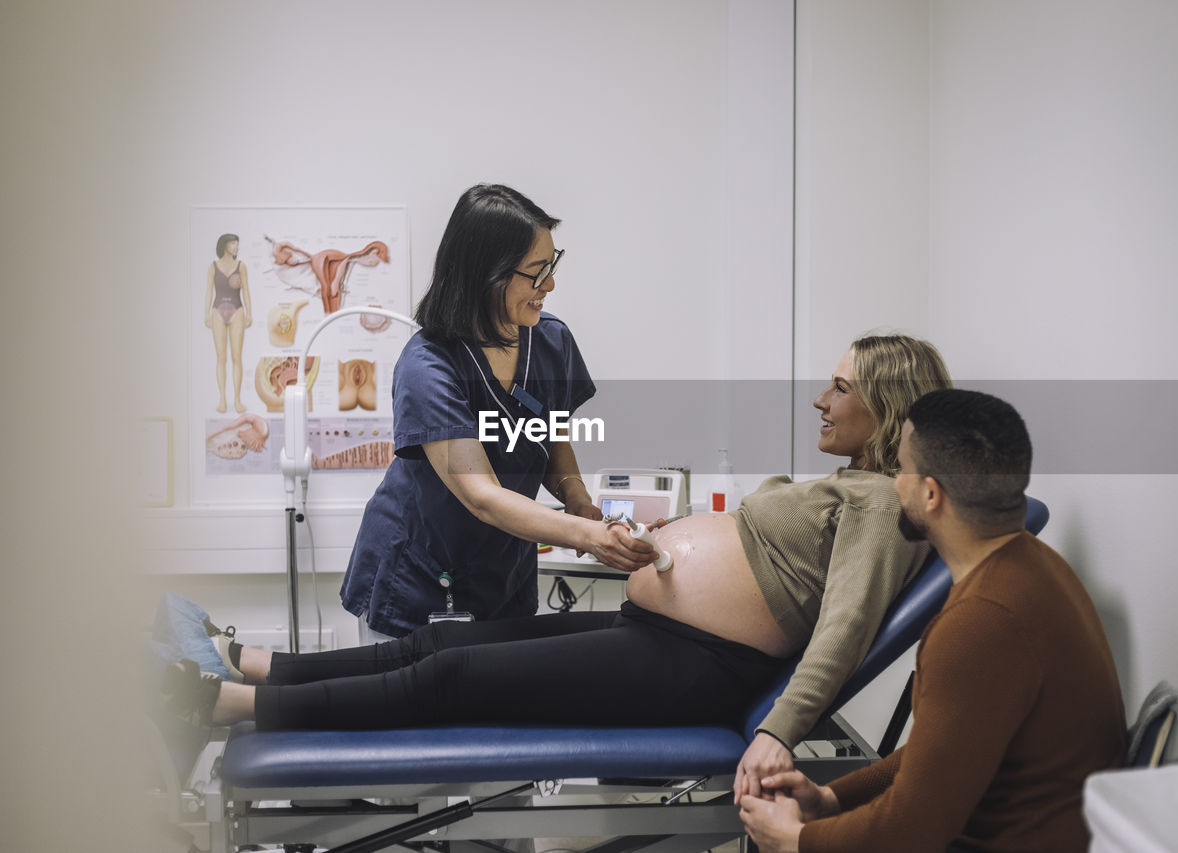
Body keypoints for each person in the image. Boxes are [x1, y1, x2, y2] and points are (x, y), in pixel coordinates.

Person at [165, 335, 953, 798]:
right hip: (662, 634)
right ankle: (251, 661)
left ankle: (224, 704)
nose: (822, 397)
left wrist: (781, 730)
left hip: (695, 666)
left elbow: (846, 623)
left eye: (841, 387)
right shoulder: (853, 486)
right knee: (442, 648)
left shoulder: (885, 502)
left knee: (451, 682)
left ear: (889, 407)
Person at [739, 389, 1127, 853]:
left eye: (900, 471)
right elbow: (939, 753)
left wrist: (796, 841)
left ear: (930, 493)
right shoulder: (1035, 566)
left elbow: (911, 831)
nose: (893, 485)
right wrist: (830, 798)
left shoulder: (980, 622)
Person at [336, 184, 650, 640]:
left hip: (505, 578)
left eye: (553, 264)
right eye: (538, 272)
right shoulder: (429, 366)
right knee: (413, 708)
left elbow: (552, 443)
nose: (551, 284)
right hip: (418, 581)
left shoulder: (550, 342)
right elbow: (481, 495)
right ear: (488, 274)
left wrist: (579, 504)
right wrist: (589, 538)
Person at [203, 233, 252, 413]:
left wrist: (249, 312)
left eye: (237, 244)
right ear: (225, 245)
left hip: (237, 310)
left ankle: (237, 400)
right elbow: (209, 290)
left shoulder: (241, 266)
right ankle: (222, 398)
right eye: (233, 243)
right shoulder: (213, 267)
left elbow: (246, 290)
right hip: (217, 311)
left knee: (236, 357)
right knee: (221, 357)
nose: (236, 247)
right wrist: (206, 313)